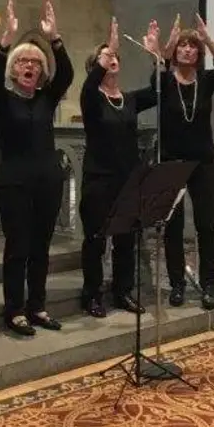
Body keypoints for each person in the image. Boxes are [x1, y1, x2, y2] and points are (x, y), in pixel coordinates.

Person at [0, 0, 74, 336]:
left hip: (47, 181)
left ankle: (37, 305)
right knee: (18, 247)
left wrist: (55, 39)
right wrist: (5, 40)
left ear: (41, 71)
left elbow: (66, 74)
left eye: (35, 63)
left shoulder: (46, 99)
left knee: (41, 246)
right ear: (14, 69)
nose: (29, 66)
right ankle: (14, 310)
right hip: (14, 182)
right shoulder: (3, 98)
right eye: (23, 61)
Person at [80, 17, 157, 317]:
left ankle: (122, 291)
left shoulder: (129, 99)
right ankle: (92, 295)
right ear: (95, 66)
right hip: (99, 180)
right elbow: (88, 87)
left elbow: (156, 91)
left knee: (126, 239)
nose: (112, 59)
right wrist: (109, 47)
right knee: (96, 240)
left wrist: (155, 57)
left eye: (114, 57)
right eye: (105, 57)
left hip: (128, 179)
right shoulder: (91, 99)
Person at [155, 13, 214, 310]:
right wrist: (167, 43)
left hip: (203, 163)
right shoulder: (165, 82)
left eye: (192, 46)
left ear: (198, 53)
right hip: (172, 162)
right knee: (173, 226)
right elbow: (158, 71)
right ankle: (177, 283)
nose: (187, 49)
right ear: (175, 52)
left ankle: (209, 283)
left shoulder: (207, 81)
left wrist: (208, 39)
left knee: (205, 224)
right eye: (182, 46)